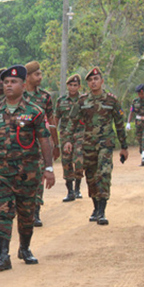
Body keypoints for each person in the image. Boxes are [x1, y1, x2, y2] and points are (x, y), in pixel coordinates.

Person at [0, 65, 55, 271]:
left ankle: (24, 248)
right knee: (3, 212)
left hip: (28, 172)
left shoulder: (35, 112)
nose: (8, 85)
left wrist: (49, 168)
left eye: (13, 82)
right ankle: (2, 255)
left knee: (26, 214)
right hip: (2, 173)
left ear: (23, 86)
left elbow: (44, 140)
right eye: (5, 82)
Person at [63, 67, 128, 225]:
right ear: (88, 84)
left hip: (105, 144)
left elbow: (119, 124)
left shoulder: (112, 101)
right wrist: (68, 140)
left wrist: (124, 147)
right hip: (88, 144)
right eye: (90, 80)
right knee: (91, 176)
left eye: (96, 79)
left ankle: (102, 211)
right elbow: (71, 122)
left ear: (102, 81)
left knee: (104, 174)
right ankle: (95, 207)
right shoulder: (83, 101)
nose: (93, 82)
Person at [23, 61, 59, 227]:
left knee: (38, 175)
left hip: (39, 142)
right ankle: (23, 209)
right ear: (28, 77)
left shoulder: (45, 97)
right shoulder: (18, 95)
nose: (40, 77)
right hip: (20, 142)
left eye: (40, 74)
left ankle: (35, 211)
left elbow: (51, 121)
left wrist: (55, 143)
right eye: (36, 74)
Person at [54, 74, 84, 202]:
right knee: (66, 162)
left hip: (80, 133)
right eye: (71, 85)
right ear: (67, 86)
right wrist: (53, 135)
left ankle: (77, 189)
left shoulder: (83, 100)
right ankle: (70, 191)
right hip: (65, 134)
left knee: (78, 160)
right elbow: (56, 119)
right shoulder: (61, 101)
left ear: (79, 86)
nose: (73, 88)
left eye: (75, 85)